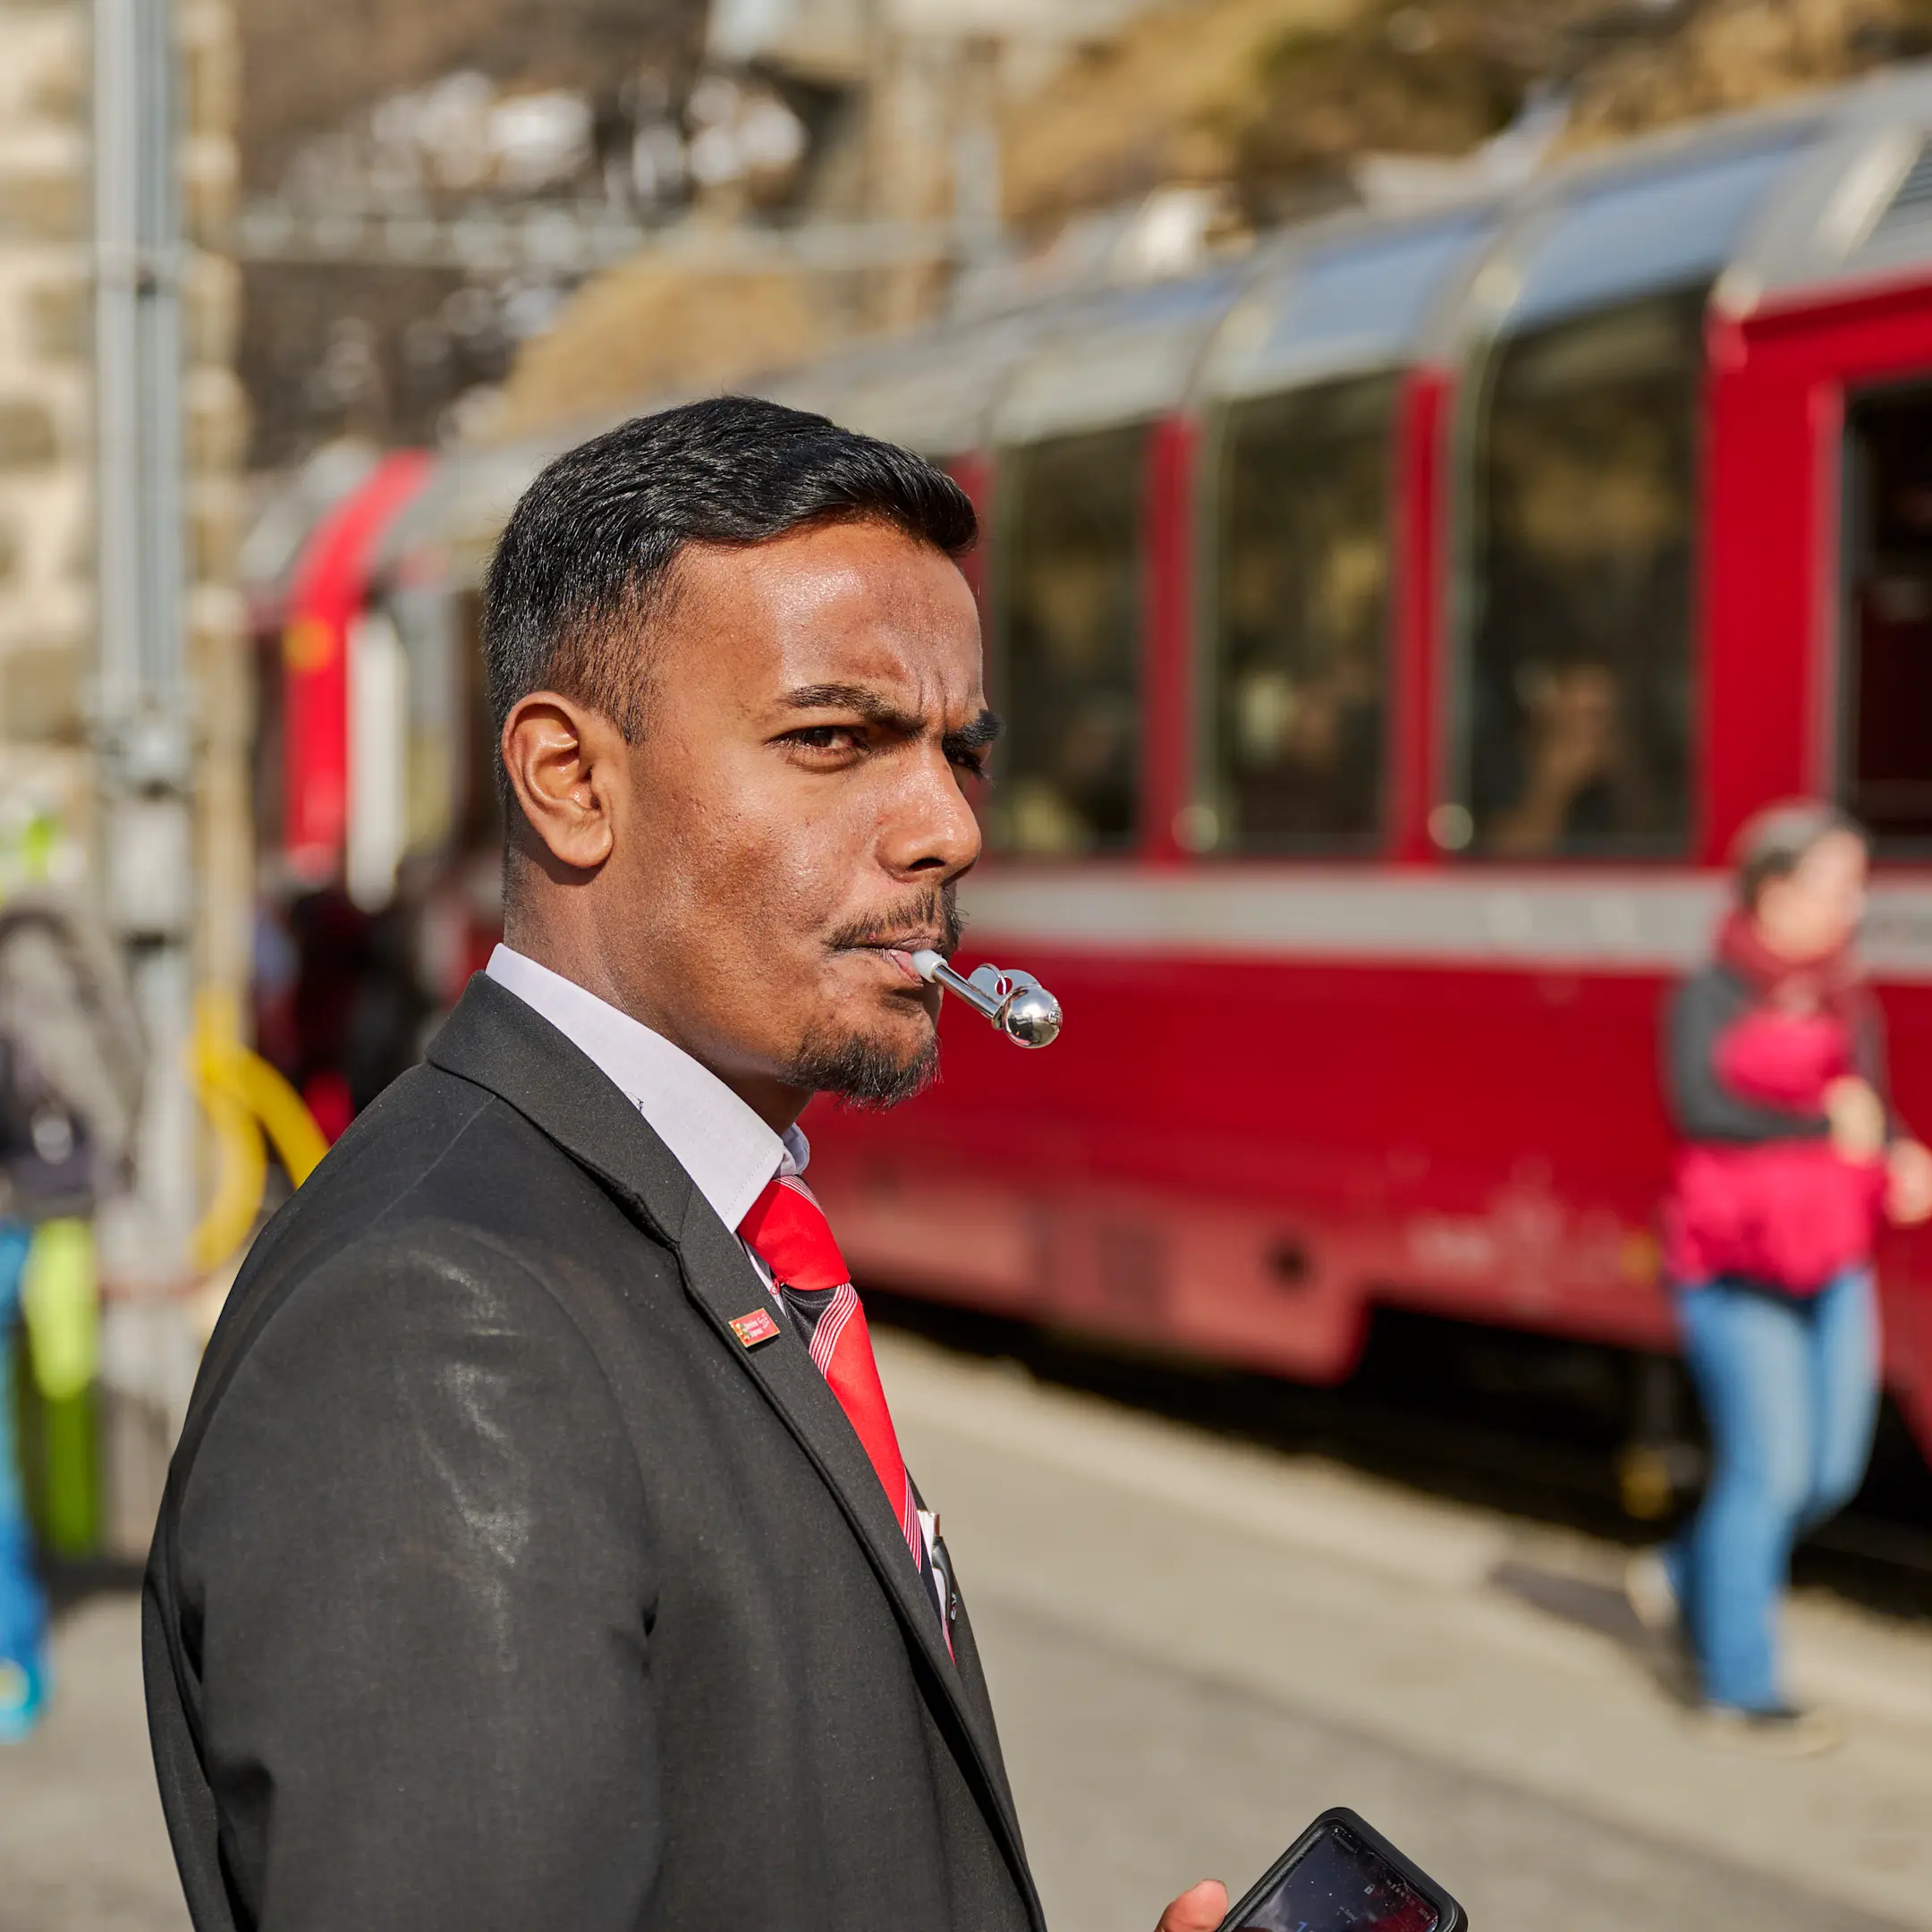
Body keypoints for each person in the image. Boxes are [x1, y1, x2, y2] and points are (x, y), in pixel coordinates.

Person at [144, 399, 1229, 1932]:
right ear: (570, 779)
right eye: (833, 740)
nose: (947, 828)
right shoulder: (443, 1329)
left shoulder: (661, 1229)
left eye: (963, 751)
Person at [1639, 801, 1932, 1750]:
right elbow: (1701, 1109)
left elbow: (1869, 1108)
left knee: (1830, 1469)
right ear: (1774, 890)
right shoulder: (1709, 993)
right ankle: (1738, 1687)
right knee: (1769, 1468)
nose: (1853, 906)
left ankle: (1685, 1574)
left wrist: (1898, 1152)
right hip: (1734, 1262)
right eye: (1836, 885)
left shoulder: (1846, 995)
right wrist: (1823, 1127)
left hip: (1831, 1255)